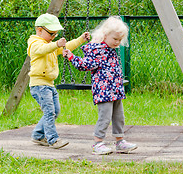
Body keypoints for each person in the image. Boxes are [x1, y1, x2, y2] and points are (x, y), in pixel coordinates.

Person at [63, 16, 137, 155]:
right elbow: (84, 65)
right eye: (115, 39)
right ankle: (98, 143)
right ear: (105, 35)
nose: (117, 42)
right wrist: (71, 56)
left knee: (119, 116)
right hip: (103, 91)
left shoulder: (110, 48)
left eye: (119, 40)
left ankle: (120, 142)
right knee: (105, 117)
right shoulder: (97, 50)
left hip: (115, 89)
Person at [28, 13, 90, 149]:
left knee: (55, 110)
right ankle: (53, 140)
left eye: (55, 34)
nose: (53, 37)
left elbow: (67, 46)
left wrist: (80, 39)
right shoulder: (34, 43)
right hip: (39, 85)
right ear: (39, 30)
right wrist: (56, 44)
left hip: (49, 84)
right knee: (49, 112)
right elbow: (42, 49)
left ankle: (38, 135)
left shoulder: (51, 44)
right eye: (51, 33)